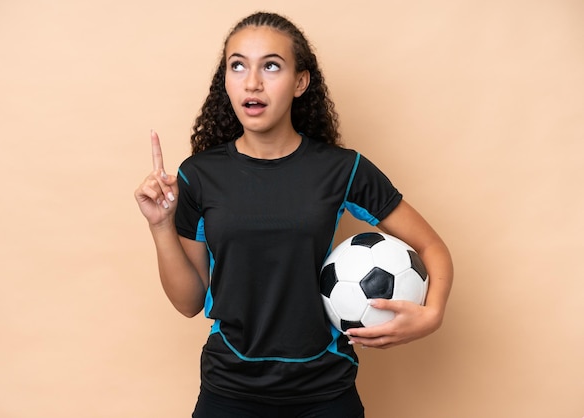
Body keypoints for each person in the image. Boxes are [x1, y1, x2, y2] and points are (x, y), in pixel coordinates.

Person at [134, 11, 453, 418]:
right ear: (226, 81)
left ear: (300, 82)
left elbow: (432, 246)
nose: (252, 82)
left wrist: (432, 316)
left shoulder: (342, 169)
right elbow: (189, 301)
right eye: (238, 66)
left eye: (271, 65)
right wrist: (160, 225)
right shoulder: (198, 176)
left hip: (325, 393)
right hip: (228, 390)